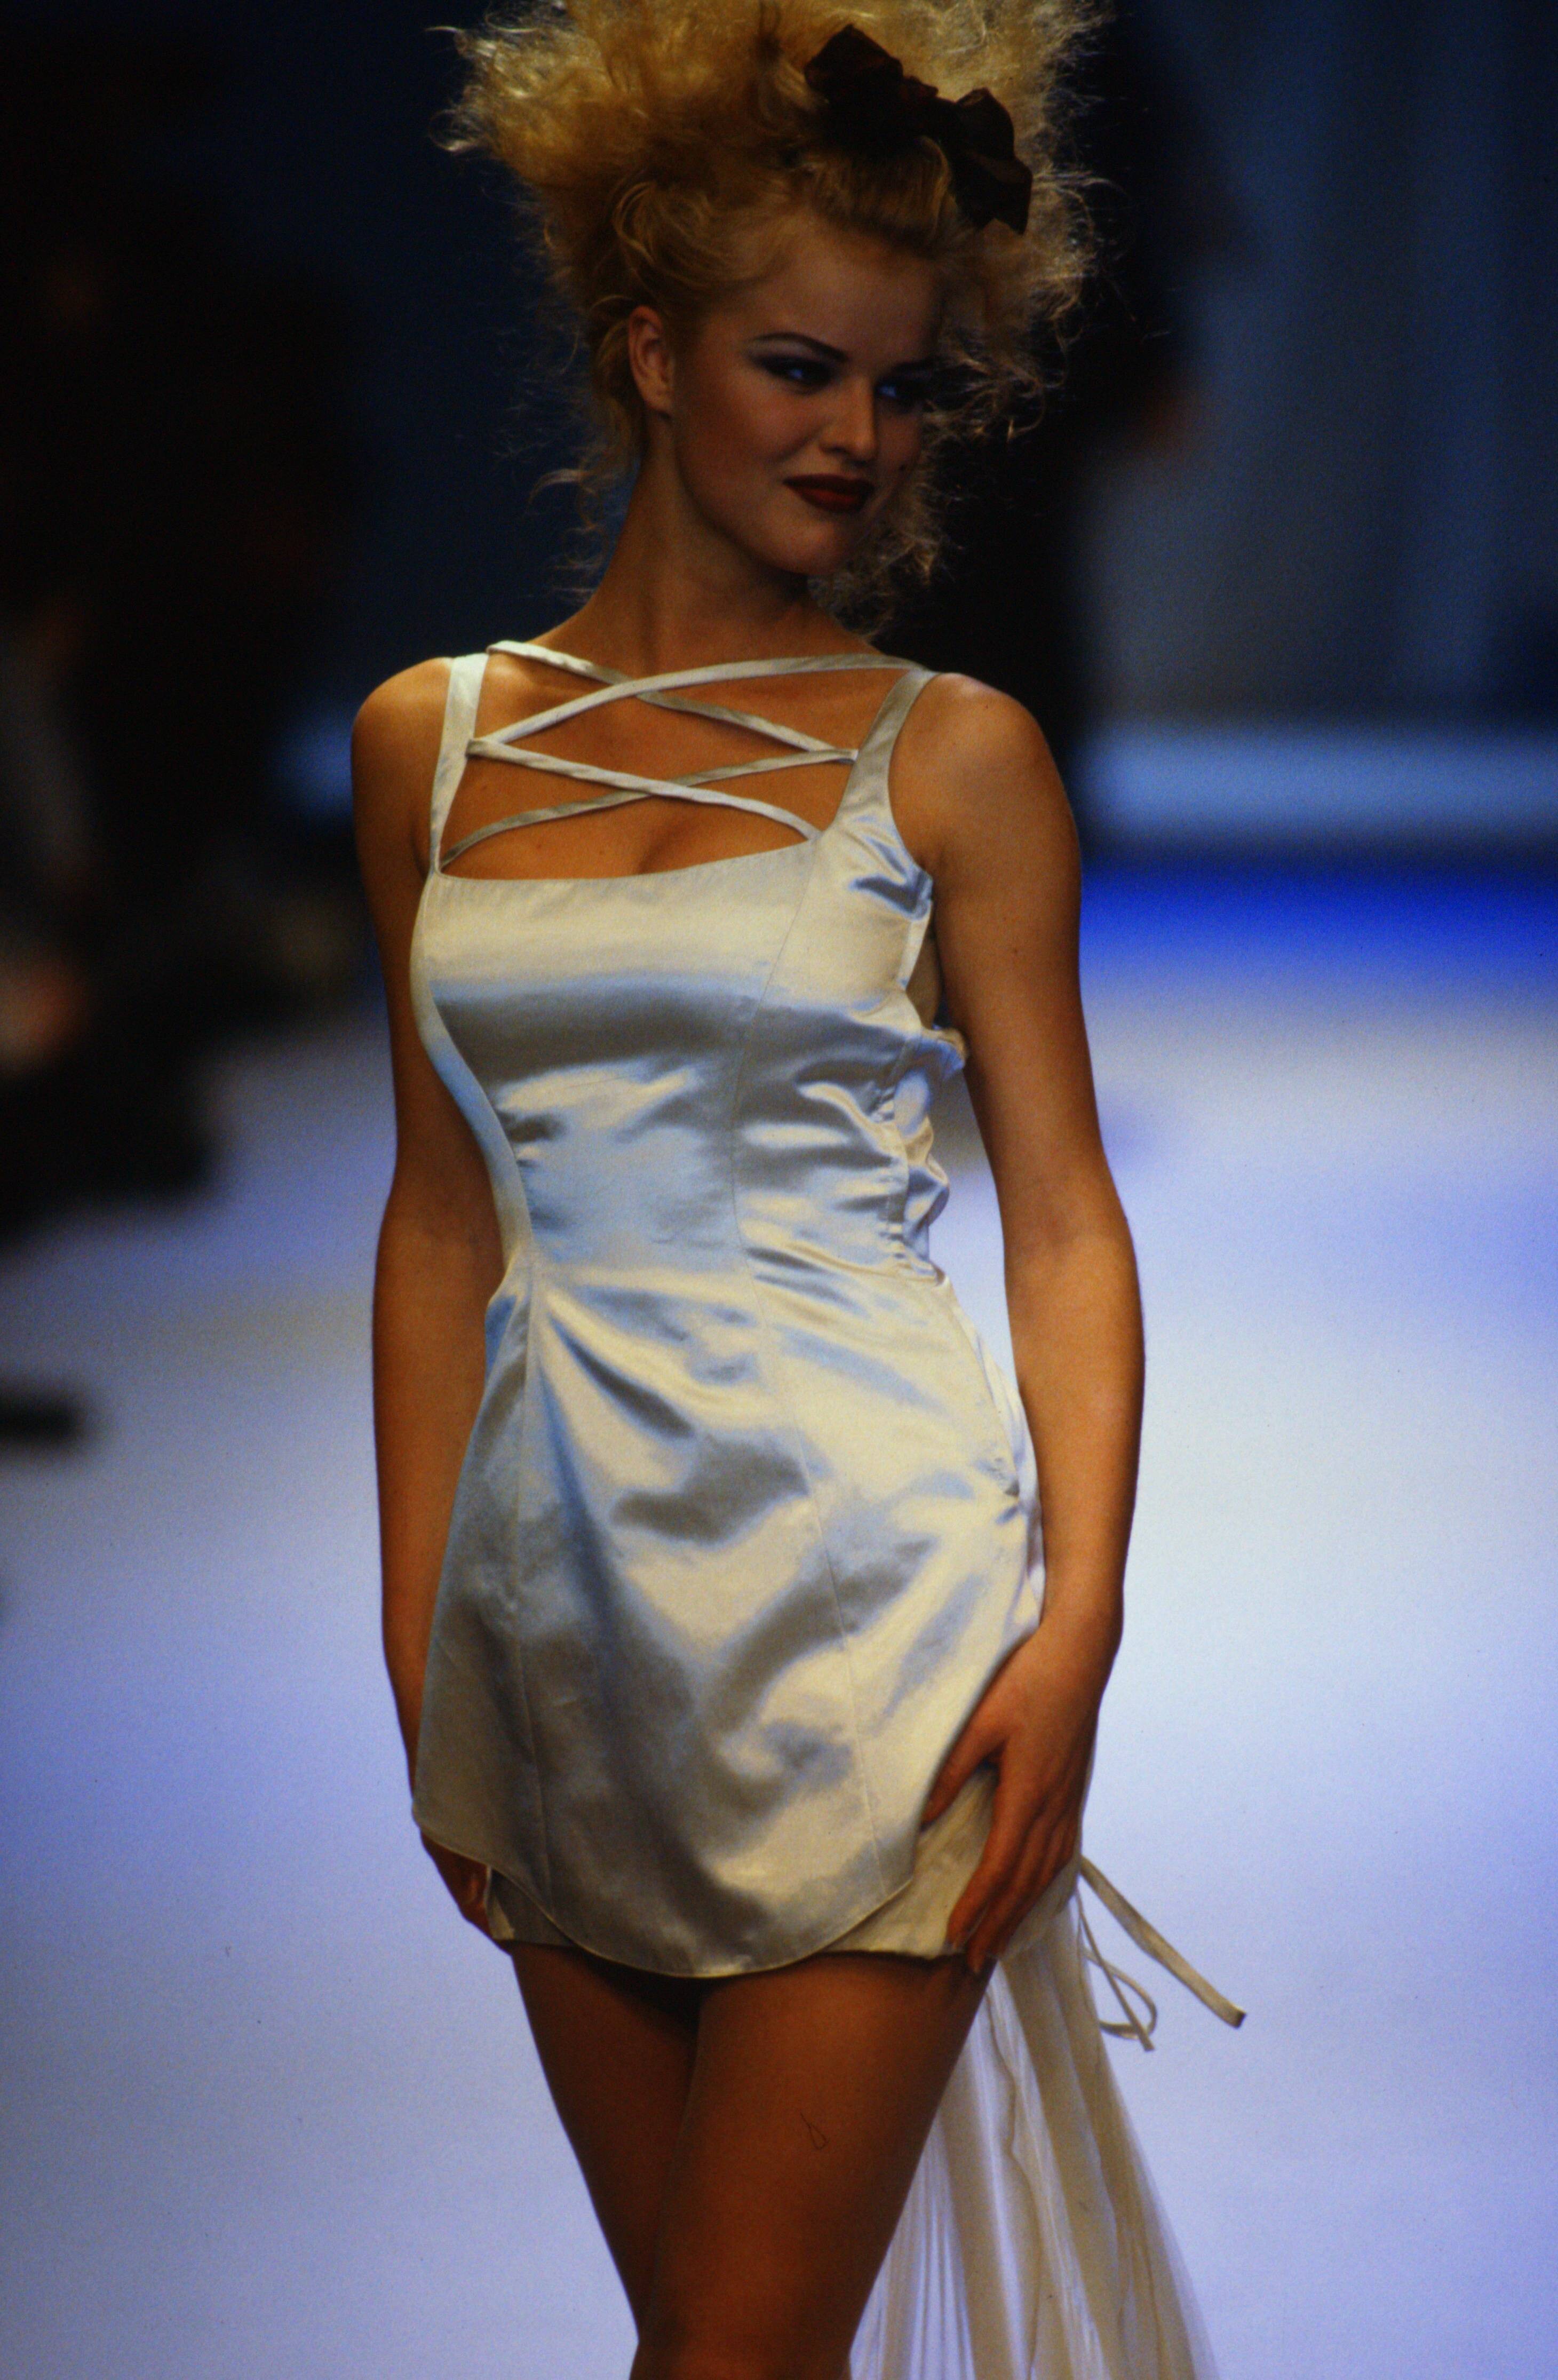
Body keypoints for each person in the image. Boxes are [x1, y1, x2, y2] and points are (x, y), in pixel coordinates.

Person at [352, 6, 1239, 2374]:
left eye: (904, 386)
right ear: (651, 351)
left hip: (874, 1620)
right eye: (798, 368)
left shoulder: (956, 759)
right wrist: (423, 1631)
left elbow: (1065, 1215)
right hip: (552, 1628)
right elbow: (439, 1215)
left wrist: (1077, 1623)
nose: (858, 435)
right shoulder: (428, 745)